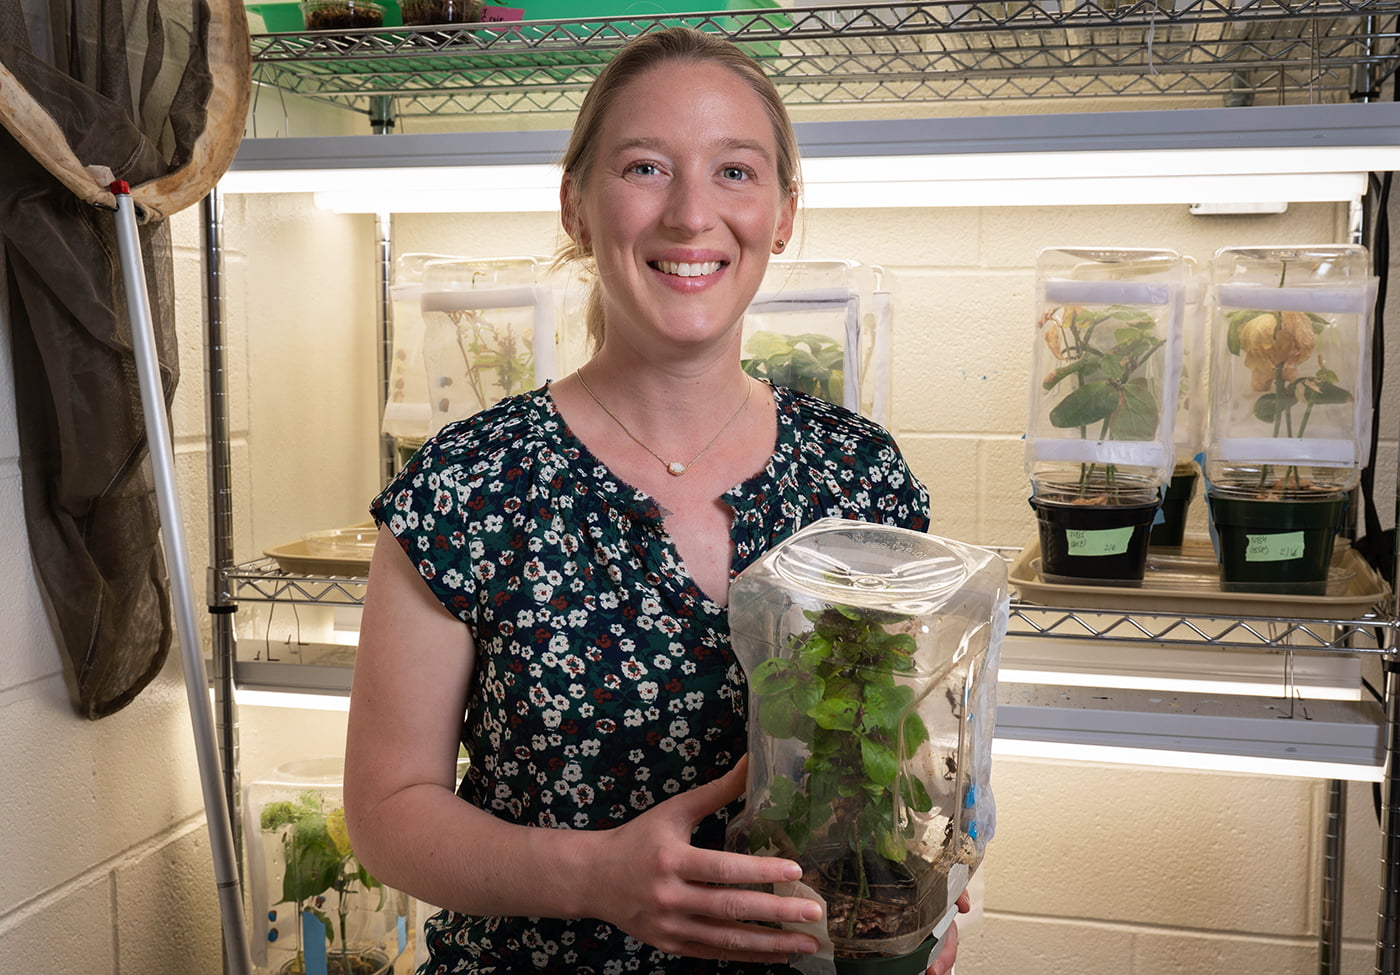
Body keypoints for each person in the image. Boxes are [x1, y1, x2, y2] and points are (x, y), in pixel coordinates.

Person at [344, 25, 969, 975]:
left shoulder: (859, 476)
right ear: (577, 206)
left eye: (735, 172)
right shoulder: (468, 485)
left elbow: (901, 757)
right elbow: (388, 815)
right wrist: (594, 875)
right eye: (644, 167)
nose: (690, 214)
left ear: (785, 212)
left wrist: (915, 895)